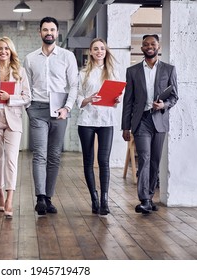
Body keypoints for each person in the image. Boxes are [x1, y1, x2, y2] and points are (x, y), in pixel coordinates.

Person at [24, 16, 78, 215]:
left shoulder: (67, 56)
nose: (49, 33)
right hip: (37, 109)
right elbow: (26, 86)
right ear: (40, 32)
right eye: (45, 29)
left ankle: (48, 197)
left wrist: (68, 108)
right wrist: (29, 107)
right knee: (40, 154)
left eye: (52, 30)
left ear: (57, 33)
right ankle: (39, 198)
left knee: (54, 155)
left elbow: (74, 85)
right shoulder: (30, 58)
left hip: (60, 110)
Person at [121, 34, 178, 214]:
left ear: (158, 46)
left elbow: (174, 96)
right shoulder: (133, 71)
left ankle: (150, 196)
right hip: (141, 121)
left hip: (159, 120)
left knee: (155, 161)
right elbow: (128, 101)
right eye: (145, 44)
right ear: (142, 48)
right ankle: (144, 199)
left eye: (152, 44)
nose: (149, 46)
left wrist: (164, 104)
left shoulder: (169, 69)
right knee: (144, 158)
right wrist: (125, 126)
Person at [0, 37, 31, 218]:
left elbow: (27, 97)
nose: (3, 52)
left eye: (6, 49)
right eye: (0, 49)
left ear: (11, 52)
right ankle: (0, 193)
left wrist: (10, 98)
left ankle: (10, 196)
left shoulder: (20, 72)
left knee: (11, 159)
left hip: (13, 121)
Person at [76, 38, 121, 215]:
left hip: (106, 121)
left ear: (105, 51)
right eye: (96, 49)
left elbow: (117, 97)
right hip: (86, 120)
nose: (99, 51)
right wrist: (88, 99)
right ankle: (94, 199)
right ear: (91, 52)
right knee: (88, 161)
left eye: (102, 48)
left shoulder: (113, 72)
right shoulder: (82, 73)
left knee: (104, 161)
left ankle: (104, 200)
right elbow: (78, 97)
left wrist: (117, 99)